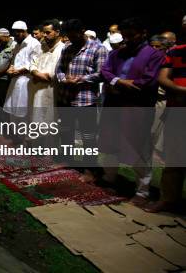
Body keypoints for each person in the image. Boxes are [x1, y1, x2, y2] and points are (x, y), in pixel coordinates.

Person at [99, 17, 165, 201]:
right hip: (114, 104)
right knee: (110, 141)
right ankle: (109, 177)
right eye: (125, 35)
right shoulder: (117, 53)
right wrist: (118, 81)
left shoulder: (153, 54)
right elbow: (105, 70)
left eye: (131, 35)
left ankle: (142, 189)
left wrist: (122, 84)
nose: (128, 39)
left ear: (143, 33)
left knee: (139, 146)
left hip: (137, 107)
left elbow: (147, 80)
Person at [146, 15, 186, 213]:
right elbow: (163, 78)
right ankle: (169, 199)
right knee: (174, 159)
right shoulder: (175, 52)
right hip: (177, 110)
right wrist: (182, 91)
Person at [55, 19, 107, 167]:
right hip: (65, 97)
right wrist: (64, 79)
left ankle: (90, 166)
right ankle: (67, 159)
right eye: (69, 36)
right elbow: (58, 69)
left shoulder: (98, 48)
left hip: (86, 99)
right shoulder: (67, 48)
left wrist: (80, 79)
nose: (71, 39)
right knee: (66, 131)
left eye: (74, 36)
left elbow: (102, 74)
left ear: (82, 32)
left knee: (88, 135)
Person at [4, 21, 42, 130]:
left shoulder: (34, 44)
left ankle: (26, 139)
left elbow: (34, 63)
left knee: (24, 111)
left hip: (27, 81)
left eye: (17, 33)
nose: (15, 36)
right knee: (14, 109)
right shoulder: (17, 44)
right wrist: (11, 68)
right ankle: (17, 136)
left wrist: (19, 71)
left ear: (23, 31)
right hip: (15, 80)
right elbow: (14, 61)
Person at [29, 19, 65, 127]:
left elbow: (56, 74)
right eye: (43, 32)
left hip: (52, 91)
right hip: (36, 90)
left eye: (48, 32)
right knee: (36, 122)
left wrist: (40, 75)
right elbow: (32, 63)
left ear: (57, 32)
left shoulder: (63, 49)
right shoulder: (40, 47)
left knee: (50, 125)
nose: (44, 35)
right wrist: (35, 72)